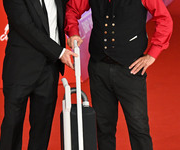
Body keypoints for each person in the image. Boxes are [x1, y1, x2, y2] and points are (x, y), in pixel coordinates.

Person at [65, 0, 173, 149]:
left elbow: (164, 19)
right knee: (104, 128)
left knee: (139, 128)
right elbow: (71, 9)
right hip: (98, 68)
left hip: (130, 70)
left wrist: (152, 54)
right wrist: (73, 32)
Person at [0, 0, 76, 149]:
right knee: (12, 125)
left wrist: (74, 33)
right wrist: (59, 52)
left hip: (50, 68)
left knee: (42, 127)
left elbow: (72, 11)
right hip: (20, 69)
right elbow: (26, 27)